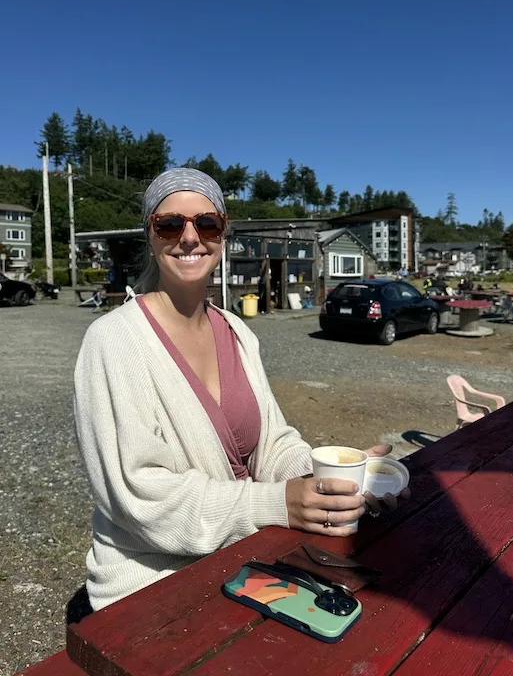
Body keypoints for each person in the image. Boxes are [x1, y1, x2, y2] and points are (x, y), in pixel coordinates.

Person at [73, 168, 409, 616]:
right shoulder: (113, 340)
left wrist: (333, 477)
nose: (190, 237)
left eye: (207, 223)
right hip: (150, 580)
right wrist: (274, 504)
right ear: (150, 234)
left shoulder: (236, 331)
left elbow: (270, 444)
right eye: (170, 223)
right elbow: (137, 495)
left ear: (224, 233)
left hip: (241, 559)